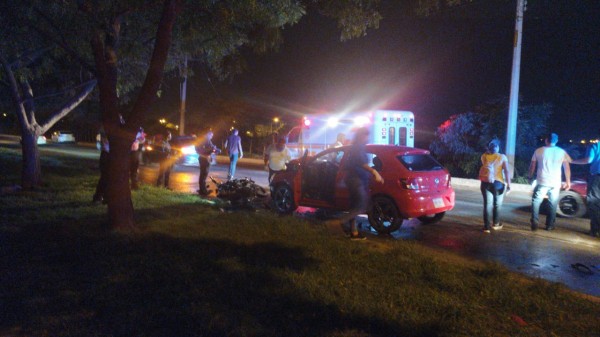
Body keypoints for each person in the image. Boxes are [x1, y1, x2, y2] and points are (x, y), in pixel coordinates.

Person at [337, 127, 384, 240]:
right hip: (356, 180)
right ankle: (341, 221)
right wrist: (374, 172)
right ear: (361, 136)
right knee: (360, 206)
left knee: (354, 206)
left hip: (357, 180)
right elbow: (361, 163)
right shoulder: (358, 147)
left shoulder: (358, 147)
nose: (367, 137)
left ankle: (354, 233)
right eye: (365, 135)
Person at [528, 132, 571, 231]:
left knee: (536, 201)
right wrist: (568, 181)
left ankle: (534, 220)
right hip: (555, 183)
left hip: (542, 181)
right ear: (556, 141)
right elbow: (567, 168)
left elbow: (532, 166)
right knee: (552, 204)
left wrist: (530, 177)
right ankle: (550, 225)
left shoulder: (538, 151)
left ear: (546, 140)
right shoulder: (562, 152)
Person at [570, 129, 600, 237]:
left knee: (594, 202)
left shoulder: (595, 146)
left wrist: (572, 161)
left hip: (597, 177)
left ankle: (595, 230)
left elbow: (588, 160)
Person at [479, 139, 511, 233]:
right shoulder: (502, 157)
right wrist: (509, 184)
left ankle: (486, 227)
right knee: (497, 204)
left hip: (485, 182)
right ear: (497, 147)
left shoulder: (484, 156)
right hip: (498, 183)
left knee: (487, 205)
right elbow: (506, 171)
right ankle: (496, 224)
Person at [196, 130, 219, 196]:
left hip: (202, 158)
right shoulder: (206, 140)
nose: (212, 137)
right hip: (205, 158)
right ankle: (203, 191)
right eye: (211, 135)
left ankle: (202, 189)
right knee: (204, 174)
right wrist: (214, 149)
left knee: (202, 174)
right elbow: (209, 149)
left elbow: (199, 149)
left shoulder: (202, 140)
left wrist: (213, 149)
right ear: (208, 134)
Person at [93, 129, 110, 204]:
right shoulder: (105, 128)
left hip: (109, 154)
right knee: (105, 177)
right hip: (106, 154)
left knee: (108, 178)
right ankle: (98, 197)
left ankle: (105, 197)